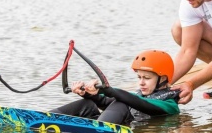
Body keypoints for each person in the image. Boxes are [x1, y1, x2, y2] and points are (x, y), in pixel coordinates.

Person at [50, 50, 180, 125]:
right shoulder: (139, 95)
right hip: (112, 124)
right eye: (139, 77)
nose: (141, 83)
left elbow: (140, 103)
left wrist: (108, 90)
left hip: (118, 130)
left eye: (146, 78)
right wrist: (88, 94)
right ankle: (49, 117)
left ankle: (100, 129)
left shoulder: (170, 104)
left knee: (122, 102)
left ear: (162, 79)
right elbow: (105, 102)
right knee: (89, 103)